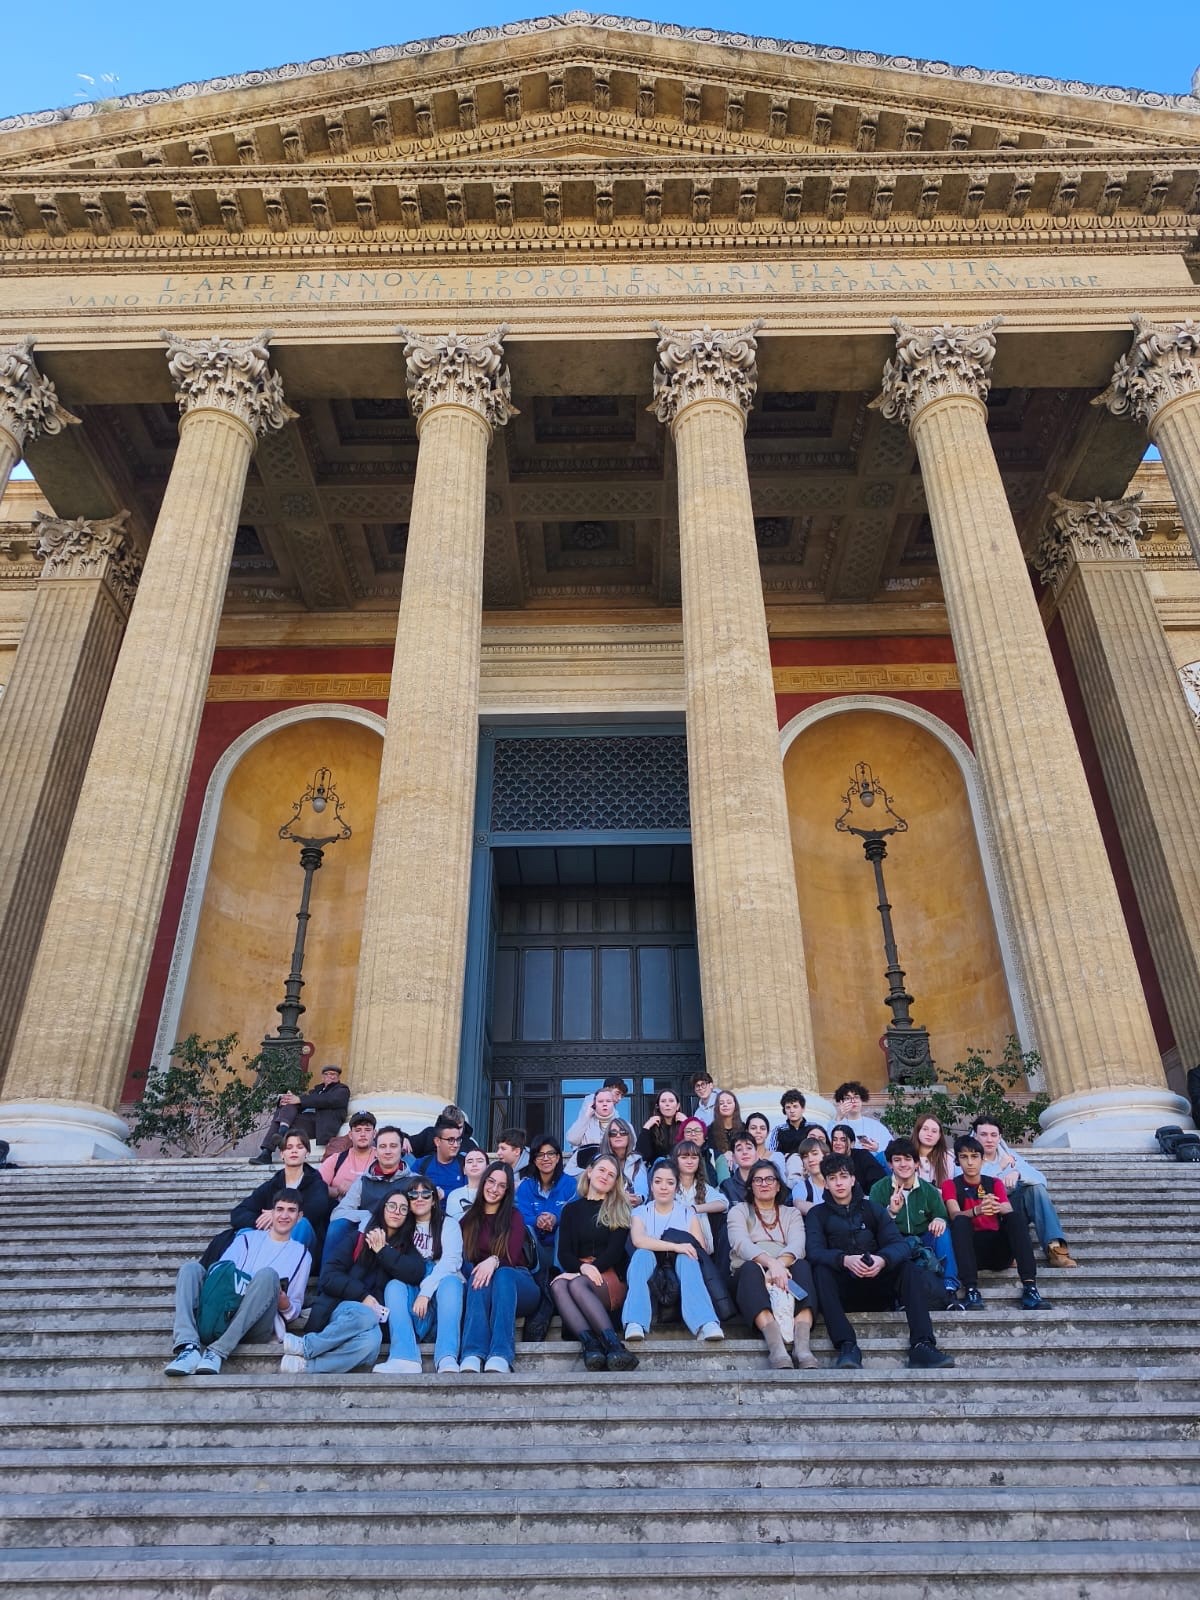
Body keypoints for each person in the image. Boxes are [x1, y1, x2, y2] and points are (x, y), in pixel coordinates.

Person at [805, 1153, 954, 1369]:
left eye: (843, 1176)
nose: (839, 1183)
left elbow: (899, 1245)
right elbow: (814, 1251)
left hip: (877, 1285)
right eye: (832, 1178)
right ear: (826, 1183)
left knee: (907, 1268)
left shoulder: (872, 1209)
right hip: (843, 1289)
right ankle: (847, 1346)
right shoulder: (817, 1214)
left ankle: (922, 1344)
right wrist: (844, 1260)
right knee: (820, 1271)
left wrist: (882, 1260)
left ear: (853, 1179)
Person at [166, 1193, 310, 1376]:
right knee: (190, 1269)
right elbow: (222, 1275)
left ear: (299, 1216)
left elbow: (294, 1311)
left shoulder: (302, 1255)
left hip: (256, 1324)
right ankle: (188, 1346)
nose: (284, 1215)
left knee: (268, 1275)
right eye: (280, 1209)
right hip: (224, 1311)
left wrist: (284, 1303)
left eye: (291, 1210)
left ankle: (217, 1351)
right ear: (271, 1213)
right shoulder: (247, 1238)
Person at [285, 1190, 408, 1373]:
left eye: (403, 1208)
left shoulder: (406, 1249)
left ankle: (306, 1366)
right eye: (392, 1206)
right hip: (340, 1310)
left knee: (372, 1341)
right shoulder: (358, 1239)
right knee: (365, 1313)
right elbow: (328, 1276)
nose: (397, 1211)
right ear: (382, 1208)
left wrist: (383, 1251)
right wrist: (362, 1296)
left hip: (374, 1324)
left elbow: (415, 1273)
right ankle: (307, 1346)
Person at [727, 1159, 818, 1369]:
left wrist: (779, 1267)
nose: (764, 1184)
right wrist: (770, 1264)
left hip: (787, 1270)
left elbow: (798, 1245)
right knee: (750, 1269)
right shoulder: (739, 1211)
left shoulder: (791, 1213)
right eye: (758, 1180)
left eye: (770, 1179)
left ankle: (802, 1346)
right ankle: (776, 1347)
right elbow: (740, 1243)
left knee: (803, 1267)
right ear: (750, 1186)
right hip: (749, 1270)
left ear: (778, 1185)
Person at [623, 1163, 724, 1344]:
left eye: (669, 1182)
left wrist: (681, 1250)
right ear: (651, 1185)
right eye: (658, 1181)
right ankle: (635, 1322)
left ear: (676, 1187)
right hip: (651, 1272)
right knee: (642, 1255)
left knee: (688, 1256)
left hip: (681, 1273)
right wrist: (676, 1246)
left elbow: (699, 1248)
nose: (663, 1187)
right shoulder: (640, 1212)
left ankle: (705, 1322)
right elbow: (638, 1240)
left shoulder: (687, 1213)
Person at [943, 1136, 1048, 1311]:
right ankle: (971, 1289)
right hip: (971, 1251)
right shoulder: (951, 1184)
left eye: (974, 1156)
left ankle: (1030, 1287)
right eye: (964, 1157)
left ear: (982, 1159)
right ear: (957, 1161)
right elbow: (954, 1214)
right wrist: (977, 1210)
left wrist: (995, 1205)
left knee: (1015, 1218)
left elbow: (1007, 1209)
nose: (970, 1162)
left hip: (998, 1250)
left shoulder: (994, 1182)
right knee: (960, 1221)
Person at [552, 1155, 637, 1372]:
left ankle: (615, 1346)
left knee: (575, 1284)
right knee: (558, 1284)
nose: (605, 1176)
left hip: (609, 1276)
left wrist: (587, 1270)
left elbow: (614, 1253)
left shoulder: (619, 1208)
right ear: (589, 1172)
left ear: (615, 1183)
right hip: (580, 1273)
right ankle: (591, 1346)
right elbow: (564, 1254)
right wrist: (581, 1268)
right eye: (601, 1170)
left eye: (611, 1175)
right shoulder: (570, 1210)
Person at [375, 1179, 466, 1374]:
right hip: (413, 1293)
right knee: (394, 1286)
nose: (419, 1198)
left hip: (440, 1292)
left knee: (452, 1282)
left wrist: (426, 1292)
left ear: (434, 1200)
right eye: (413, 1194)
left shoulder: (448, 1224)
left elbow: (451, 1262)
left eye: (425, 1194)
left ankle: (447, 1357)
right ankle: (404, 1357)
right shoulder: (402, 1226)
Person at [458, 1161, 540, 1374]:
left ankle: (501, 1354)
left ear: (507, 1191)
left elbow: (511, 1256)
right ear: (483, 1182)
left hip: (518, 1283)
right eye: (491, 1182)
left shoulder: (514, 1216)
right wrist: (483, 1267)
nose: (494, 1189)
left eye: (501, 1186)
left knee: (502, 1274)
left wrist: (493, 1261)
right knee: (478, 1275)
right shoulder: (468, 1220)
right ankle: (472, 1353)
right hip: (484, 1288)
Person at [971, 1116, 1078, 1269]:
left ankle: (1056, 1249)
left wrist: (1018, 1173)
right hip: (985, 1213)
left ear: (999, 1137)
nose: (989, 1139)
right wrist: (999, 1168)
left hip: (1011, 1209)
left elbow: (1041, 1179)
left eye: (993, 1135)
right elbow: (968, 1188)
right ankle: (1008, 1252)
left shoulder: (1009, 1155)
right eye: (983, 1134)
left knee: (1036, 1189)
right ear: (975, 1136)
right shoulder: (966, 1157)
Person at [869, 1137, 961, 1303]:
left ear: (917, 1163)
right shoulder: (879, 1188)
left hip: (923, 1237)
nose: (903, 1164)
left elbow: (942, 1215)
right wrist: (891, 1212)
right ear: (890, 1164)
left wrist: (939, 1219)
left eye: (908, 1159)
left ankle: (949, 1286)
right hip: (895, 1240)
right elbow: (873, 1225)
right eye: (897, 1160)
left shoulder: (928, 1189)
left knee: (943, 1232)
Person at [230, 1130, 332, 1256]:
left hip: (302, 1247)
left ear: (307, 1153)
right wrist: (265, 1222)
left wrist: (277, 1216)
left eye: (299, 1147)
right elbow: (238, 1213)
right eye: (289, 1147)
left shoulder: (317, 1184)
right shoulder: (271, 1186)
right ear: (282, 1154)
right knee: (244, 1232)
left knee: (302, 1224)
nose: (294, 1151)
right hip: (269, 1244)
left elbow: (315, 1210)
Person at [516, 1136, 578, 1341]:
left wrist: (555, 1218)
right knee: (525, 1228)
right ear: (533, 1160)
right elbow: (520, 1215)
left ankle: (558, 1279)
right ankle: (539, 1282)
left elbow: (574, 1211)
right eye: (540, 1155)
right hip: (536, 1250)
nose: (545, 1158)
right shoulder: (526, 1186)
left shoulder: (570, 1184)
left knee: (565, 1226)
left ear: (559, 1157)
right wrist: (537, 1220)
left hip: (562, 1250)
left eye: (551, 1154)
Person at [324, 1126, 410, 1263]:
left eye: (393, 1146)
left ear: (401, 1149)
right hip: (367, 1234)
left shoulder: (414, 1181)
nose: (388, 1151)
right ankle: (328, 1274)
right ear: (376, 1151)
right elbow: (338, 1213)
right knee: (337, 1226)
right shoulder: (363, 1181)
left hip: (401, 1239)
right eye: (382, 1146)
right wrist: (369, 1216)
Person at [250, 1063, 350, 1164]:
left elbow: (327, 1100)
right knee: (286, 1106)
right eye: (327, 1074)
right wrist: (286, 1100)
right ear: (323, 1077)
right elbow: (305, 1101)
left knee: (284, 1113)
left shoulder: (342, 1090)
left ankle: (275, 1143)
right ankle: (268, 1150)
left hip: (321, 1124)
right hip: (307, 1121)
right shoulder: (316, 1091)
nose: (330, 1076)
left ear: (338, 1077)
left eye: (333, 1074)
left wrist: (299, 1099)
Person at [668, 1140, 728, 1252]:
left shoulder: (703, 1187)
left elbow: (724, 1203)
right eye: (684, 1157)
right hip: (674, 1245)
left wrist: (695, 1208)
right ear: (676, 1160)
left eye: (694, 1157)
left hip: (702, 1247)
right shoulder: (668, 1185)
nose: (690, 1161)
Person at [317, 1111, 377, 1200]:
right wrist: (337, 1191)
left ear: (374, 1133)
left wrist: (355, 1188)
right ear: (350, 1135)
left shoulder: (383, 1159)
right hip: (339, 1206)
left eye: (367, 1130)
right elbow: (316, 1186)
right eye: (358, 1130)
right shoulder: (337, 1159)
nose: (363, 1134)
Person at [410, 1118, 468, 1201]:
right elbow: (409, 1191)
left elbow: (471, 1194)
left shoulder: (465, 1165)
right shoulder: (422, 1164)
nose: (456, 1145)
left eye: (458, 1140)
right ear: (437, 1141)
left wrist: (444, 1194)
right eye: (450, 1140)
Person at [831, 1081, 893, 1155]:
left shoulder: (876, 1125)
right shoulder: (836, 1123)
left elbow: (891, 1147)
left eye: (856, 1097)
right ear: (841, 1102)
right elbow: (828, 1143)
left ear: (862, 1100)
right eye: (847, 1098)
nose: (853, 1101)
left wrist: (877, 1148)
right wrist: (839, 1117)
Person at [598, 1117, 649, 1204]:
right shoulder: (600, 1160)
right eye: (613, 1133)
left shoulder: (636, 1160)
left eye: (623, 1132)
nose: (618, 1135)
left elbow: (642, 1191)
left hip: (630, 1206)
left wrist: (637, 1199)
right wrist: (620, 1197)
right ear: (608, 1138)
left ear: (629, 1136)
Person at [405, 1104, 482, 1160]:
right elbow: (408, 1144)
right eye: (453, 1127)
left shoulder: (470, 1145)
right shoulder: (429, 1134)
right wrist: (403, 1139)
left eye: (460, 1127)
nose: (457, 1131)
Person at [566, 1087, 620, 1165]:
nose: (604, 1104)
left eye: (608, 1101)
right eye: (600, 1101)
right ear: (594, 1104)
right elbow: (572, 1139)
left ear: (613, 1104)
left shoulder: (621, 1124)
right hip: (584, 1167)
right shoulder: (587, 1121)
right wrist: (586, 1116)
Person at [636, 1088, 689, 1165]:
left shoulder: (684, 1125)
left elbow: (695, 1148)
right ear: (657, 1106)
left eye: (671, 1101)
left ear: (677, 1106)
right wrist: (646, 1127)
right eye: (663, 1101)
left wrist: (687, 1123)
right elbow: (642, 1155)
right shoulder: (653, 1127)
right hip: (658, 1168)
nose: (667, 1104)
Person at [829, 1123, 887, 1192]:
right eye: (835, 1139)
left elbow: (878, 1182)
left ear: (852, 1144)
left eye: (843, 1140)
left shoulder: (863, 1156)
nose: (838, 1143)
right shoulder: (829, 1161)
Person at [705, 1090, 744, 1181]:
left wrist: (733, 1154)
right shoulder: (710, 1130)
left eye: (729, 1102)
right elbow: (709, 1153)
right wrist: (722, 1155)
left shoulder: (744, 1128)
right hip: (718, 1172)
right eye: (721, 1103)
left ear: (735, 1106)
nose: (725, 1105)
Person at [446, 1148, 490, 1221]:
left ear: (488, 1167)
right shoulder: (455, 1195)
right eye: (469, 1161)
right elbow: (452, 1223)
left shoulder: (493, 1193)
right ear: (464, 1170)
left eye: (480, 1161)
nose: (474, 1164)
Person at [788, 1137, 829, 1215]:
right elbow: (798, 1204)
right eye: (805, 1156)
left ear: (826, 1156)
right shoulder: (801, 1187)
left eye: (815, 1154)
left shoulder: (838, 1181)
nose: (810, 1159)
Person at [913, 1114, 954, 1190]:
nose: (929, 1134)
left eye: (934, 1131)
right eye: (925, 1129)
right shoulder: (908, 1156)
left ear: (939, 1135)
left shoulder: (948, 1157)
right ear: (918, 1131)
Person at [720, 1131, 759, 1207]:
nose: (745, 1152)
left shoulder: (768, 1180)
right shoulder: (727, 1186)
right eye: (739, 1149)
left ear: (756, 1154)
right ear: (733, 1157)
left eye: (749, 1148)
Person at [772, 1090, 814, 1158]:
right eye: (788, 1107)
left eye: (795, 1106)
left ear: (803, 1108)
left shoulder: (813, 1127)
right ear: (784, 1110)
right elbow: (773, 1154)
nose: (792, 1111)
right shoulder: (778, 1130)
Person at [745, 1112, 787, 1180]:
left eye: (762, 1128)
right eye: (753, 1128)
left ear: (767, 1133)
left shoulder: (777, 1157)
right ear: (747, 1131)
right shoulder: (741, 1157)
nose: (758, 1131)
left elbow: (782, 1182)